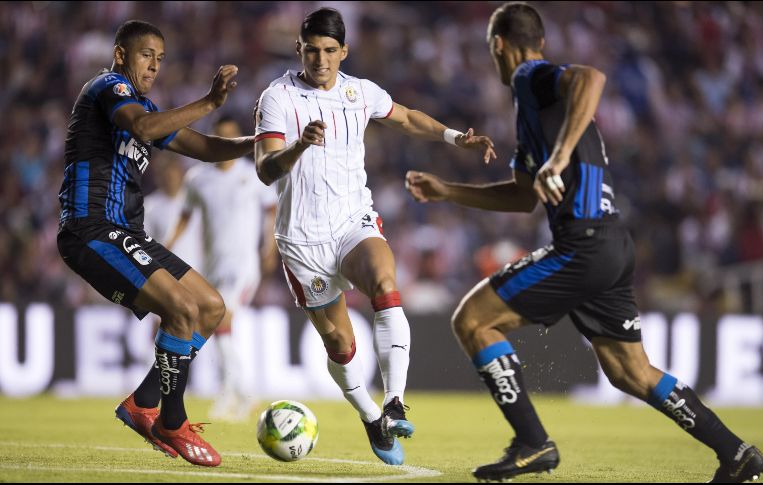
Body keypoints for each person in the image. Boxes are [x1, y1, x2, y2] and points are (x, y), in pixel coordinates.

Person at [404, 2, 763, 482]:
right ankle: (736, 452)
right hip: (611, 245)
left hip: (584, 244)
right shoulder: (536, 112)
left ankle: (533, 443)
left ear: (498, 46)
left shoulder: (530, 78)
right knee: (630, 372)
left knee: (473, 320)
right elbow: (520, 197)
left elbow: (591, 77)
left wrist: (556, 159)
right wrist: (449, 191)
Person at [253, 7, 495, 466]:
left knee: (386, 284)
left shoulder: (359, 92)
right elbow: (266, 169)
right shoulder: (278, 97)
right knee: (341, 346)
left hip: (352, 223)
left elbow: (405, 118)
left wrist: (454, 137)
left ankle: (395, 401)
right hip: (302, 241)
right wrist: (300, 145)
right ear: (298, 49)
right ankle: (370, 417)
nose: (320, 60)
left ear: (343, 51)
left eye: (329, 51)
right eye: (311, 50)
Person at [57, 20, 254, 467]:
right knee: (182, 310)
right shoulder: (108, 88)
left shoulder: (146, 108)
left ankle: (142, 403)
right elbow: (143, 128)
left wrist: (262, 143)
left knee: (210, 306)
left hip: (124, 232)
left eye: (160, 58)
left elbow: (204, 147)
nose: (154, 65)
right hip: (91, 229)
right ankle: (172, 422)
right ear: (121, 54)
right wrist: (209, 101)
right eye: (147, 54)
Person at [166, 115, 278, 422]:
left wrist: (270, 246)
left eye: (232, 137)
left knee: (224, 320)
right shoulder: (198, 179)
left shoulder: (254, 174)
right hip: (211, 266)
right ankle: (241, 392)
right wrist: (165, 247)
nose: (227, 144)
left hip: (243, 265)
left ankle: (232, 392)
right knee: (217, 326)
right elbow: (185, 217)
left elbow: (272, 211)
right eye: (221, 138)